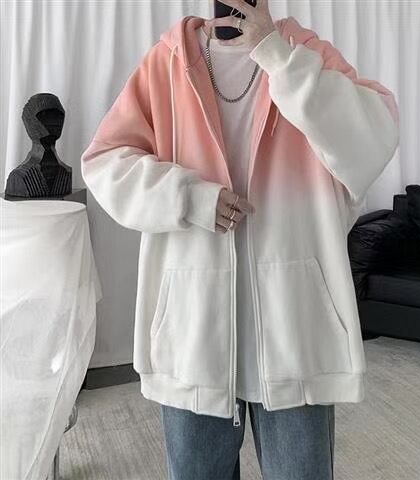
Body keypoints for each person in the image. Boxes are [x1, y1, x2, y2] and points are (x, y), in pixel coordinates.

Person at [81, 0, 399, 478]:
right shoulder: (168, 60)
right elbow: (105, 161)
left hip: (295, 333)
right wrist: (187, 197)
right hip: (192, 333)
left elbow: (373, 139)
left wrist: (276, 54)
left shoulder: (301, 52)